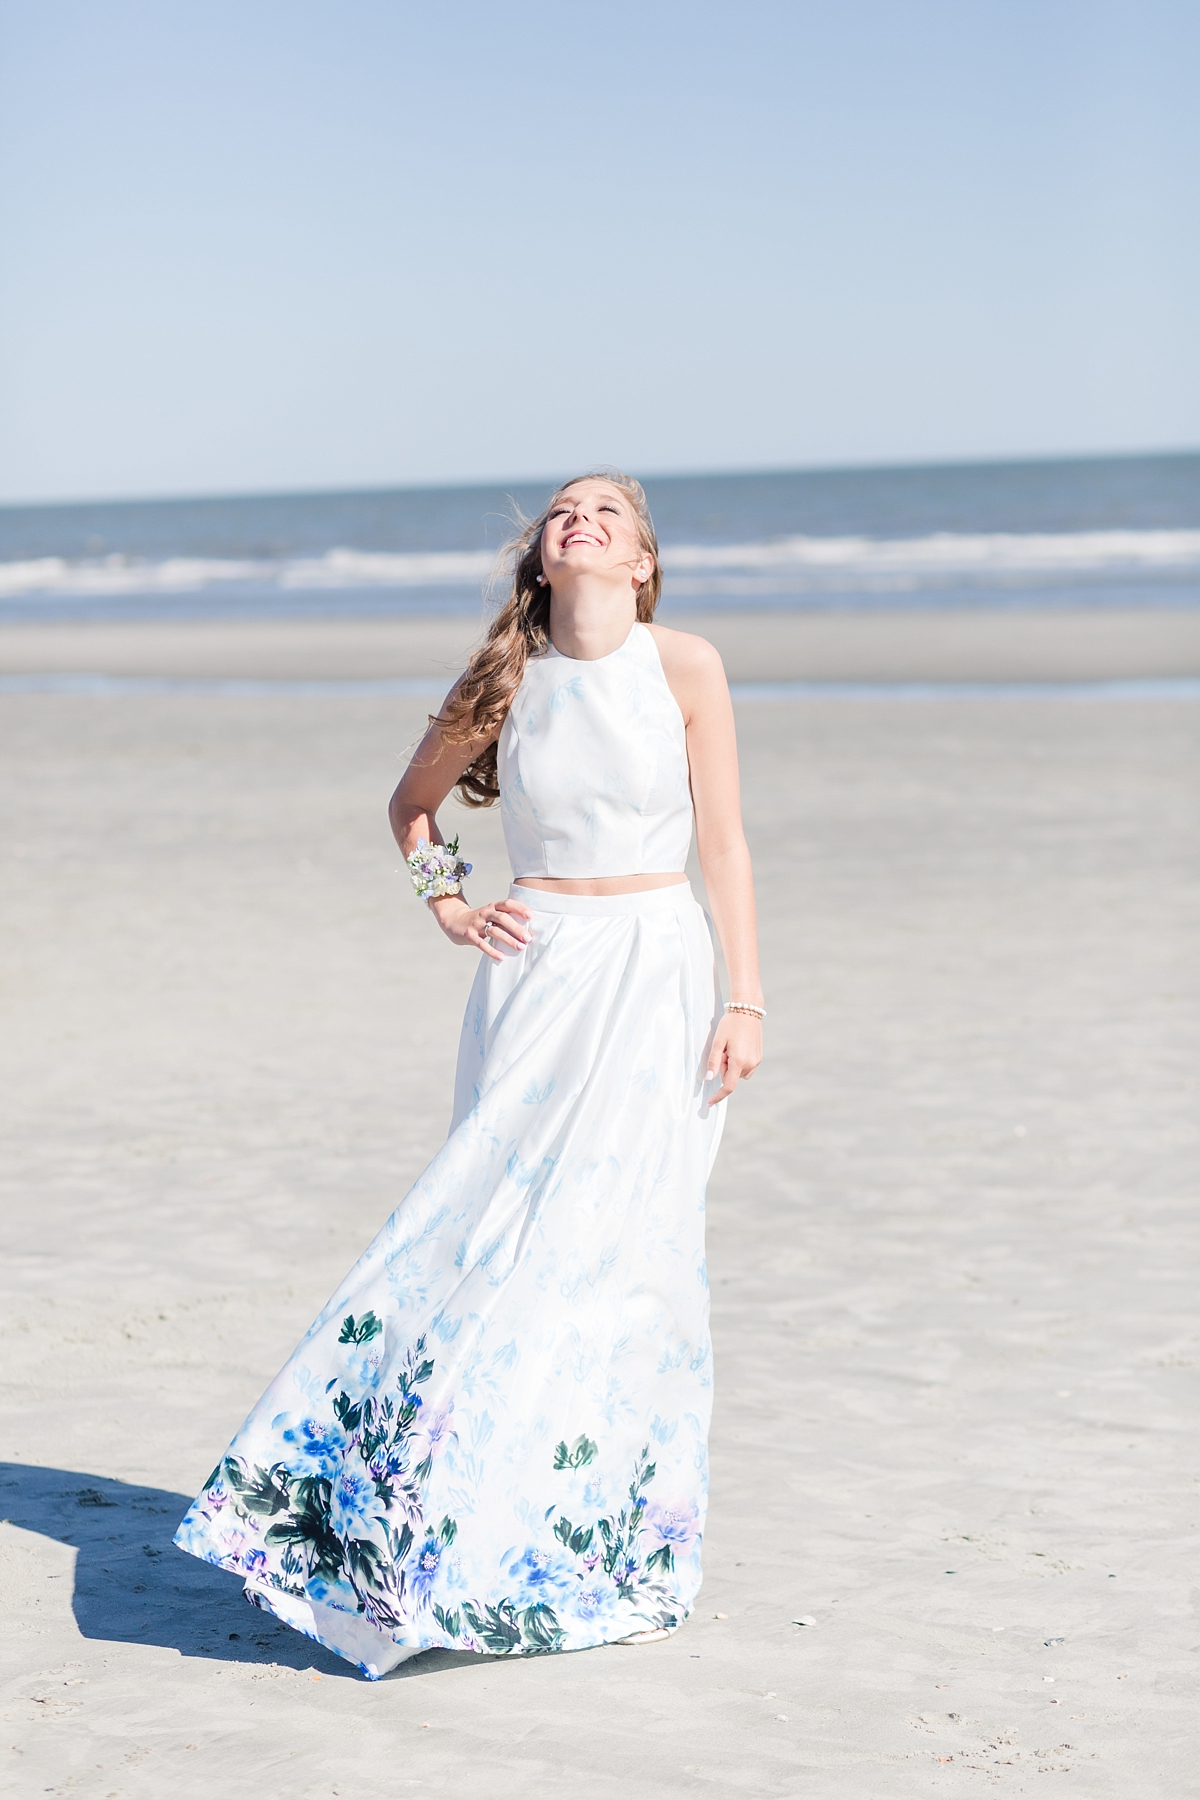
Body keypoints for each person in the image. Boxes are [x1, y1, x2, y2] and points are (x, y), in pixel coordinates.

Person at [174, 470, 764, 1678]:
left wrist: (745, 996)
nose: (583, 519)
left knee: (629, 1254)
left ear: (643, 563)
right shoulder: (507, 679)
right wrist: (448, 908)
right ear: (543, 561)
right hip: (539, 970)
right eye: (565, 511)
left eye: (610, 512)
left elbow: (725, 844)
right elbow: (411, 807)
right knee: (490, 1240)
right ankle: (403, 1527)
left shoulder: (686, 665)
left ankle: (590, 1550)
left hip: (660, 966)